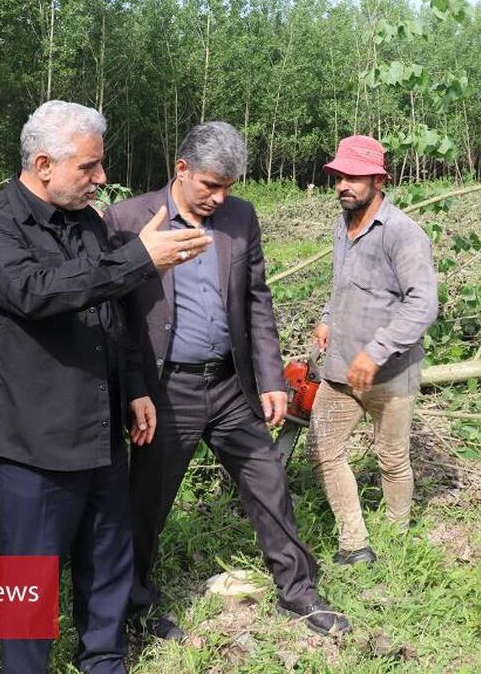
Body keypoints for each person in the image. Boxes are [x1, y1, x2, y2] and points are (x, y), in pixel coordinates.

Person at [0, 100, 209, 673]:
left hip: (100, 430)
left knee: (107, 562)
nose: (101, 179)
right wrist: (138, 260)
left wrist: (137, 387)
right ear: (43, 164)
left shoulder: (89, 222)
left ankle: (105, 660)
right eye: (89, 167)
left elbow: (110, 314)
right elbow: (38, 292)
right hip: (34, 444)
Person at [104, 121, 350, 639]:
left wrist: (271, 378)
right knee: (146, 502)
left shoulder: (240, 218)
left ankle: (298, 591)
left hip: (230, 386)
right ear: (182, 169)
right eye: (209, 185)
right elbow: (119, 321)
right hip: (165, 391)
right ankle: (132, 607)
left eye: (228, 187)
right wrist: (135, 390)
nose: (219, 197)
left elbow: (257, 301)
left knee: (268, 482)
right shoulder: (129, 220)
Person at [306, 134, 439, 565]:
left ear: (379, 179)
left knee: (391, 458)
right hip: (341, 366)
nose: (343, 184)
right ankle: (354, 541)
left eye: (354, 177)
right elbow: (343, 282)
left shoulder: (402, 233)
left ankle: (397, 537)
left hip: (389, 372)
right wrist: (328, 316)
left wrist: (376, 351)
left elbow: (423, 303)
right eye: (339, 176)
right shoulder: (342, 226)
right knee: (323, 448)